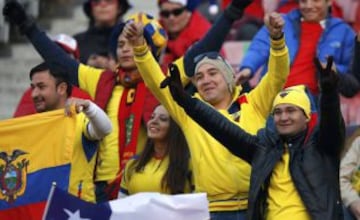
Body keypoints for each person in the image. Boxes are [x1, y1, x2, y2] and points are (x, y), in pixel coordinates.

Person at [2, 0, 252, 203]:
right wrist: (27, 26)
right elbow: (60, 63)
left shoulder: (163, 78)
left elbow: (201, 50)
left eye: (132, 44)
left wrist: (231, 13)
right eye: (120, 44)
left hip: (148, 183)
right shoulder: (102, 79)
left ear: (150, 50)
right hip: (99, 187)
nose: (125, 49)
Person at [123, 10, 288, 220]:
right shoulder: (189, 111)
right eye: (199, 77)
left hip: (256, 206)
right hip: (213, 211)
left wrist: (277, 40)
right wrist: (139, 46)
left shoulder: (254, 102)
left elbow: (277, 76)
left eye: (213, 73)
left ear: (229, 77)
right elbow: (157, 83)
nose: (205, 80)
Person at [163, 56, 345, 220]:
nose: (283, 117)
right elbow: (222, 129)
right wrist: (185, 101)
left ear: (306, 116)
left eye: (291, 111)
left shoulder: (322, 147)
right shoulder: (264, 149)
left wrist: (329, 93)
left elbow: (332, 125)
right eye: (278, 112)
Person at [237, 0, 357, 98]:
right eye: (304, 1)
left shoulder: (344, 31)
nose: (309, 6)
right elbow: (259, 47)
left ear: (329, 2)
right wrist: (248, 68)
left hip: (315, 100)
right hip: (273, 96)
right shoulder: (281, 22)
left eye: (316, 1)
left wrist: (334, 71)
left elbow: (352, 72)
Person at [29, 62, 112, 202]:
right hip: (43, 211)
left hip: (78, 211)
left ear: (62, 88)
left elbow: (106, 129)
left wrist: (88, 106)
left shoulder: (79, 120)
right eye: (33, 88)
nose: (34, 94)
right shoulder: (32, 125)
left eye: (41, 87)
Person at [119, 105, 192, 196]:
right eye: (152, 117)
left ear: (175, 127)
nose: (153, 121)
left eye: (163, 119)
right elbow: (122, 203)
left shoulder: (189, 163)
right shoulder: (133, 163)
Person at [13, 33, 91, 118]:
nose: (57, 59)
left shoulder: (86, 93)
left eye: (63, 55)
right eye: (52, 54)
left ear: (76, 61)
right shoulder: (33, 93)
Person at [74, 0, 131, 68]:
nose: (103, 4)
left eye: (109, 1)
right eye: (97, 1)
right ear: (91, 9)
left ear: (120, 7)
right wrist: (86, 63)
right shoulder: (76, 42)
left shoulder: (132, 38)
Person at [157, 0, 211, 69]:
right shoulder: (154, 34)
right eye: (165, 13)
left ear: (188, 12)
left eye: (177, 12)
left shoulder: (205, 37)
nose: (171, 18)